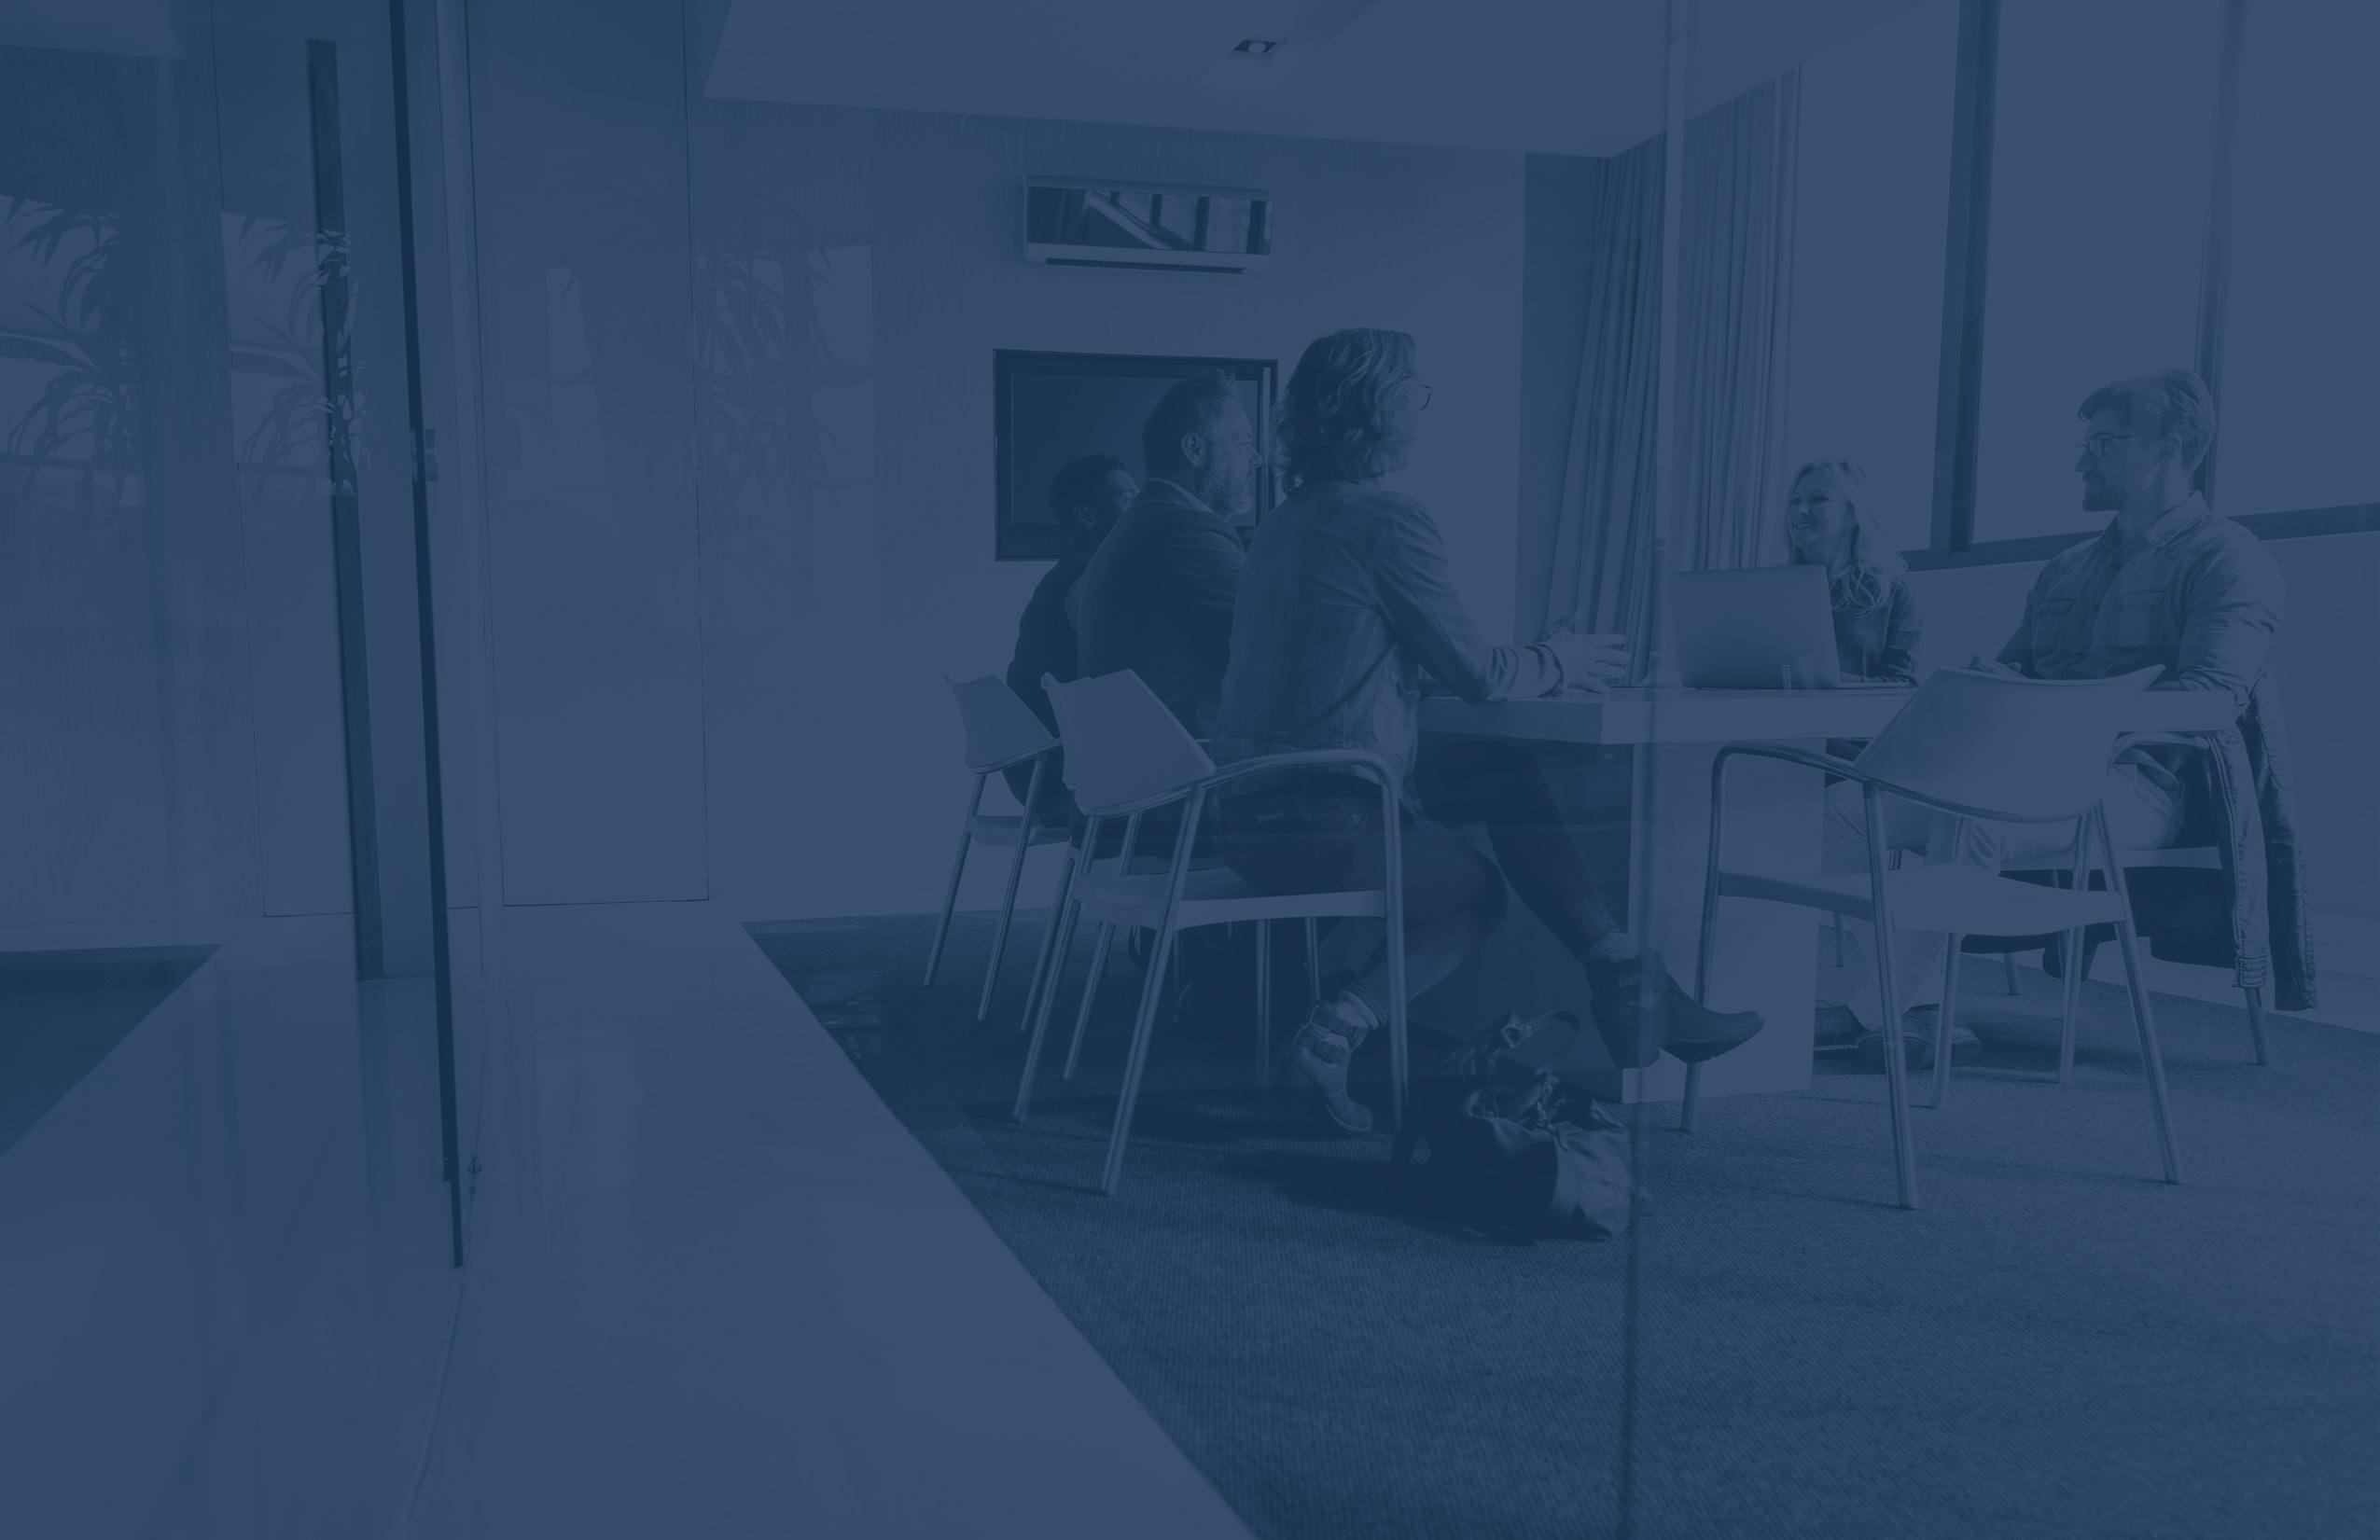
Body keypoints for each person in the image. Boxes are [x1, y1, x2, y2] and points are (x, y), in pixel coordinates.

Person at [1211, 327, 1764, 1134]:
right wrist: (1562, 657)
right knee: (1475, 895)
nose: (1422, 407)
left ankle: (1628, 980)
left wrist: (1513, 662)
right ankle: (1331, 1036)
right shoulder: (1387, 520)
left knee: (1504, 776)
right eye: (1415, 391)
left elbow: (1352, 656)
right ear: (1374, 404)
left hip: (1243, 814)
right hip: (1321, 817)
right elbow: (1477, 675)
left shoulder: (1280, 524)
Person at [1819, 368, 2285, 1069]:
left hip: (2138, 783)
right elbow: (2017, 672)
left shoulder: (2228, 557)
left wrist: (2060, 715)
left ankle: (1873, 1010)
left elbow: (2211, 700)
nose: (2081, 462)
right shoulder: (2066, 567)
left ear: (2169, 447)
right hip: (2019, 772)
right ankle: (1920, 1006)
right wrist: (1987, 683)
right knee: (1842, 812)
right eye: (2084, 444)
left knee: (1970, 818)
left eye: (2104, 444)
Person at [1070, 370, 1259, 741]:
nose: (1256, 459)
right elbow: (1269, 642)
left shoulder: (1144, 523)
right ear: (1195, 450)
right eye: (1243, 443)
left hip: (1132, 758)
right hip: (1186, 765)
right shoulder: (1185, 531)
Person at [1004, 453, 1136, 818]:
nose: (1142, 510)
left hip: (1042, 772)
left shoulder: (1067, 574)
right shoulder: (1087, 580)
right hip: (1067, 777)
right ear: (1086, 516)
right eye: (1129, 500)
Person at [1784, 459, 1921, 686]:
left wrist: (1831, 680)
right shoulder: (1773, 587)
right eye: (1795, 501)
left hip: (1850, 709)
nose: (1800, 510)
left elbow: (1902, 683)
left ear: (1853, 514)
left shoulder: (1894, 589)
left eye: (1819, 499)